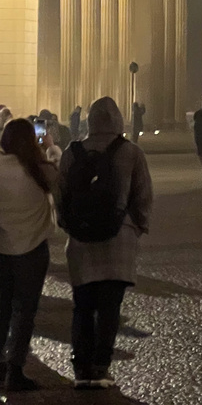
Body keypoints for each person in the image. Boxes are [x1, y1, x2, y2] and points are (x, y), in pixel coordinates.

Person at [58, 97, 153, 391]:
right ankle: (101, 368)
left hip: (80, 241)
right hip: (118, 239)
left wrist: (71, 226)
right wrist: (135, 228)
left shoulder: (71, 153)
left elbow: (60, 198)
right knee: (110, 308)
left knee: (82, 307)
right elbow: (143, 196)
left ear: (90, 120)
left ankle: (81, 369)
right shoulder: (131, 152)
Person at [0, 118, 58, 391]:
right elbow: (64, 189)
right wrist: (52, 148)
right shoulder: (40, 170)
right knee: (24, 312)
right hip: (33, 251)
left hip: (2, 250)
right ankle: (15, 368)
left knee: (1, 310)